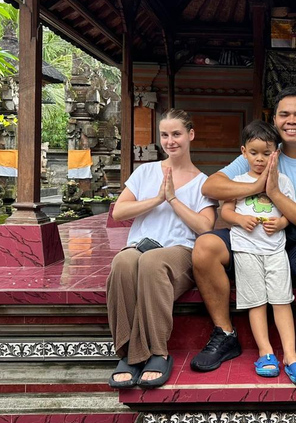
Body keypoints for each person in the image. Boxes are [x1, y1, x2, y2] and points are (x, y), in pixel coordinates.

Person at [190, 86, 296, 375]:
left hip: (293, 239)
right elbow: (210, 187)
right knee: (205, 246)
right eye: (284, 114)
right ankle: (225, 333)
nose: (291, 120)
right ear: (275, 120)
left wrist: (275, 195)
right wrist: (256, 187)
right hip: (248, 235)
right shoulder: (260, 151)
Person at [107, 109, 217, 389]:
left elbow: (205, 228)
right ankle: (128, 352)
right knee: (123, 263)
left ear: (190, 135)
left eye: (176, 134)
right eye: (165, 135)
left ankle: (157, 351)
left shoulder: (203, 181)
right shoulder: (145, 172)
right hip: (139, 246)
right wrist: (157, 198)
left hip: (178, 251)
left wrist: (174, 200)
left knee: (152, 263)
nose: (170, 141)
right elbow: (119, 212)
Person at [222, 120, 296, 385]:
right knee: (256, 301)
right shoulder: (237, 181)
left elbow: (288, 212)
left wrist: (282, 223)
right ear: (243, 151)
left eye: (267, 153)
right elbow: (225, 211)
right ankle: (265, 352)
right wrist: (239, 221)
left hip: (275, 250)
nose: (260, 159)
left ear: (276, 152)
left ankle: (291, 355)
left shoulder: (282, 182)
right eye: (254, 153)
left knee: (281, 300)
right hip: (246, 250)